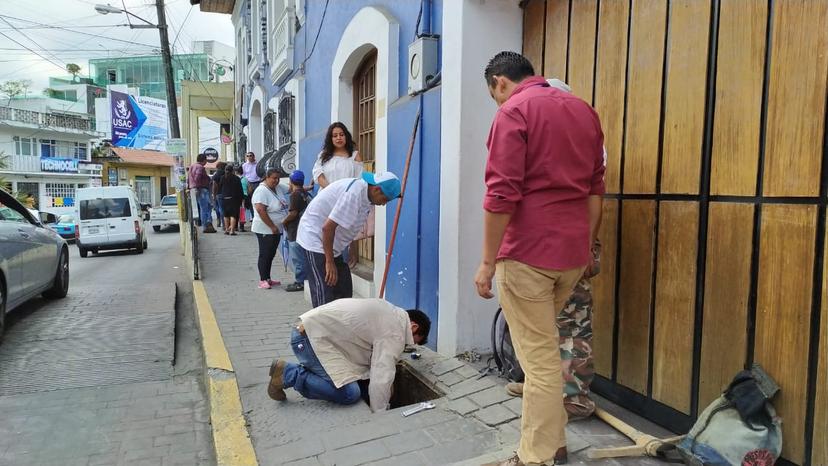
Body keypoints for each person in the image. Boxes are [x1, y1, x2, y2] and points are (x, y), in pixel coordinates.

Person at [474, 52, 605, 466]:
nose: (497, 101)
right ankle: (556, 443)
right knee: (546, 356)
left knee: (541, 365)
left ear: (499, 82)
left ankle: (534, 457)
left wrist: (487, 262)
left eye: (494, 94)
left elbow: (501, 194)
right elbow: (594, 190)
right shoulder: (584, 110)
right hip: (570, 254)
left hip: (528, 254)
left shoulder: (514, 110)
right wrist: (586, 246)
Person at [505, 78, 607, 423]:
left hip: (567, 244)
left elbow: (596, 194)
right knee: (543, 327)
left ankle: (573, 397)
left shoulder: (578, 130)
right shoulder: (571, 126)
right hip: (551, 244)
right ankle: (544, 388)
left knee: (573, 325)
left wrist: (588, 247)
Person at [266, 298, 431, 412]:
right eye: (414, 341)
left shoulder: (390, 312)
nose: (408, 345)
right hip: (309, 339)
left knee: (362, 383)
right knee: (350, 393)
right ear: (414, 327)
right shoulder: (396, 332)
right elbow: (382, 376)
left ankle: (297, 373)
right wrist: (380, 412)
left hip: (313, 334)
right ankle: (289, 374)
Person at [297, 172, 401, 307]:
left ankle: (338, 325)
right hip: (315, 240)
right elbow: (327, 228)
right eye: (385, 199)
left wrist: (350, 250)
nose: (384, 204)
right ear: (376, 189)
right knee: (325, 293)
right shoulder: (354, 194)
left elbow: (349, 225)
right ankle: (314, 327)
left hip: (333, 245)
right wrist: (329, 262)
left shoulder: (367, 196)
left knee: (344, 291)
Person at [251, 168, 290, 289]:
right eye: (273, 178)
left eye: (278, 178)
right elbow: (260, 210)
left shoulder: (278, 187)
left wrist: (307, 187)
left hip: (276, 228)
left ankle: (268, 278)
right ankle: (262, 280)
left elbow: (292, 188)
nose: (276, 180)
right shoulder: (261, 191)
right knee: (265, 253)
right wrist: (272, 226)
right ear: (266, 177)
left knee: (271, 253)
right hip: (265, 228)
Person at [282, 170, 310, 292]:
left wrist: (284, 221)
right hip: (302, 229)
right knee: (302, 257)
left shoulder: (295, 195)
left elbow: (293, 213)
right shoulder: (304, 192)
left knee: (297, 258)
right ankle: (305, 280)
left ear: (291, 181)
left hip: (295, 230)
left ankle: (300, 282)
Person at [312, 122, 363, 188]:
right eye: (335, 136)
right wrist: (332, 191)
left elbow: (359, 179)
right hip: (327, 195)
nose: (339, 138)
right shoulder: (323, 155)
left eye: (341, 135)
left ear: (346, 136)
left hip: (348, 195)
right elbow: (318, 175)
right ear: (331, 139)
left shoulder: (355, 155)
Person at [187, 153, 216, 233]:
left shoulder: (192, 166)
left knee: (203, 208)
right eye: (206, 160)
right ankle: (207, 225)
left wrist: (190, 187)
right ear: (204, 160)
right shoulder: (200, 167)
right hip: (201, 189)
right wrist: (198, 187)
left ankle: (206, 225)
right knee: (206, 208)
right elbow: (197, 177)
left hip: (194, 188)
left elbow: (189, 178)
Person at [221, 164, 244, 235]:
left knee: (226, 215)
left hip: (224, 198)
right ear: (233, 170)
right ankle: (232, 231)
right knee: (233, 215)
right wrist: (242, 198)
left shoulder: (222, 178)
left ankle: (227, 229)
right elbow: (240, 189)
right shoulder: (236, 178)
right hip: (234, 199)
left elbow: (220, 186)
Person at [211, 161, 226, 229]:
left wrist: (214, 194)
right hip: (225, 193)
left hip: (218, 193)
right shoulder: (226, 174)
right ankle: (224, 223)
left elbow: (214, 185)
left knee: (218, 208)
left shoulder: (216, 175)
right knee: (222, 208)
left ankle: (219, 222)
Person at [237, 165, 249, 232]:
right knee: (242, 210)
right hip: (244, 196)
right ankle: (241, 226)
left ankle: (235, 225)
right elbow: (249, 189)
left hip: (236, 196)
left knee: (236, 210)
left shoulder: (235, 178)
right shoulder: (245, 179)